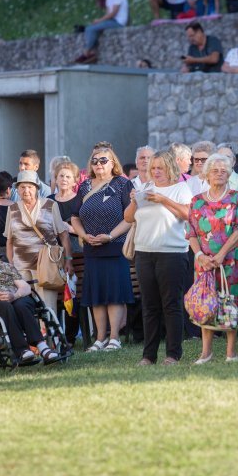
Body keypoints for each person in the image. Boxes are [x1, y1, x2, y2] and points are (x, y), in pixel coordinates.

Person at [124, 151, 192, 365]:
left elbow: (187, 214)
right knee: (149, 305)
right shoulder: (145, 188)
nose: (156, 172)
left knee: (171, 304)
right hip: (144, 252)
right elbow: (127, 217)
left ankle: (173, 354)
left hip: (172, 253)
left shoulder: (181, 188)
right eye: (153, 168)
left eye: (160, 168)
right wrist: (135, 202)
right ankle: (148, 355)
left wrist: (163, 199)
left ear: (171, 168)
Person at [0, 232, 63, 364]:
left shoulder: (7, 267)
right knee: (5, 306)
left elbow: (25, 287)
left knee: (22, 304)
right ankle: (22, 350)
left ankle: (42, 347)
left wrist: (14, 295)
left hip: (14, 297)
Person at [187, 154, 238, 363]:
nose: (219, 174)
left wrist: (222, 254)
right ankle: (206, 352)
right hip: (204, 262)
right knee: (207, 303)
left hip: (231, 261)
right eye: (215, 170)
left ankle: (230, 352)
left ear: (229, 174)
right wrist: (200, 256)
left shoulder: (236, 197)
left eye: (224, 170)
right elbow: (192, 233)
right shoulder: (197, 201)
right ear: (206, 174)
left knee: (229, 302)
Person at [71, 145, 134, 352]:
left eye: (103, 160)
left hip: (115, 247)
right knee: (96, 295)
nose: (98, 164)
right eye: (95, 161)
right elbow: (75, 217)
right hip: (92, 248)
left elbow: (130, 218)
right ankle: (99, 339)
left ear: (113, 162)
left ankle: (114, 337)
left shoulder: (123, 184)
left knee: (114, 294)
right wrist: (83, 235)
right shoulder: (84, 186)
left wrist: (109, 236)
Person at [5, 170, 73, 320]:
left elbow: (63, 235)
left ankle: (52, 341)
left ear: (36, 188)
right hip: (20, 266)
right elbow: (10, 241)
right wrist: (11, 265)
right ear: (17, 189)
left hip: (46, 265)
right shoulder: (12, 209)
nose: (26, 190)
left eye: (30, 186)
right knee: (24, 306)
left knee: (47, 306)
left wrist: (68, 260)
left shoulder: (50, 205)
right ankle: (33, 342)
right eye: (22, 187)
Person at [46, 162, 82, 345]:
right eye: (61, 176)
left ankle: (70, 336)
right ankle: (53, 336)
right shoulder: (49, 199)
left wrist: (70, 228)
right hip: (53, 253)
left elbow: (84, 229)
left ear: (75, 180)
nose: (64, 180)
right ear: (56, 179)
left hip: (76, 253)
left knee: (72, 293)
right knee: (54, 295)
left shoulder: (79, 200)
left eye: (68, 176)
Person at [74, 0, 129, 64]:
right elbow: (107, 13)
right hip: (112, 21)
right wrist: (99, 21)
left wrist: (100, 20)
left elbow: (113, 13)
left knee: (91, 29)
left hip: (118, 22)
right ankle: (91, 53)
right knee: (91, 28)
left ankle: (87, 53)